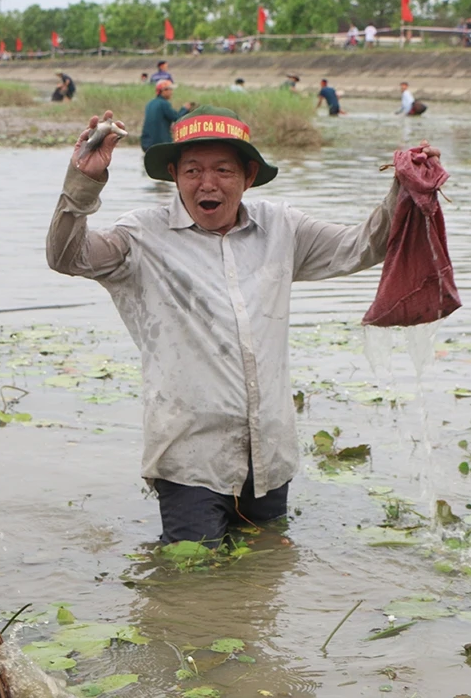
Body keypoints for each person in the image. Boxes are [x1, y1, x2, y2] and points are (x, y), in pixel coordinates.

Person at [46, 105, 440, 545]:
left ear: (248, 176)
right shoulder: (140, 236)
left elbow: (362, 246)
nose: (207, 184)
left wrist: (404, 189)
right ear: (174, 175)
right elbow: (68, 257)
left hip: (269, 458)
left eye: (223, 170)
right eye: (192, 170)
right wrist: (83, 184)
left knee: (264, 580)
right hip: (190, 460)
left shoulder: (281, 228)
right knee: (189, 587)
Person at [140, 81, 193, 152]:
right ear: (163, 91)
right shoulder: (164, 104)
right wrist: (185, 109)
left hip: (146, 143)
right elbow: (177, 118)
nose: (172, 92)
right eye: (170, 89)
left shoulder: (150, 103)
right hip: (159, 143)